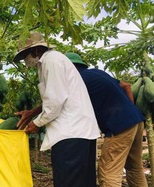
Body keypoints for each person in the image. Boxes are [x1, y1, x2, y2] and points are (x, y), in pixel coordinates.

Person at [13, 32, 101, 187]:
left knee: (68, 182)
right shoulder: (51, 61)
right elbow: (56, 96)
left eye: (25, 55)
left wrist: (36, 123)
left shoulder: (51, 61)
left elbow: (55, 101)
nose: (25, 60)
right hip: (80, 132)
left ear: (35, 50)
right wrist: (32, 113)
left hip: (70, 134)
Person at [65, 52, 148, 187]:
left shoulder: (76, 80)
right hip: (136, 120)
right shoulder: (97, 73)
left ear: (68, 67)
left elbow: (58, 101)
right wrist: (129, 111)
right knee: (134, 168)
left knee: (108, 172)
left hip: (119, 125)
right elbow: (126, 86)